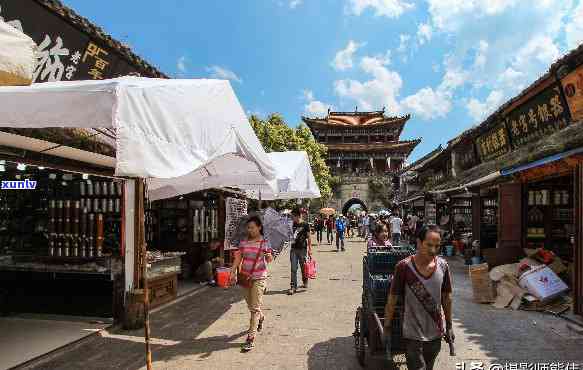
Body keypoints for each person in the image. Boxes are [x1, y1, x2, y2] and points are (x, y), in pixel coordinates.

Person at [383, 225, 454, 370]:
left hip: (435, 332)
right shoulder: (403, 267)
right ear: (419, 242)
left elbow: (447, 298)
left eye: (437, 246)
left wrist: (450, 326)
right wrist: (387, 327)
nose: (433, 250)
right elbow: (392, 299)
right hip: (412, 334)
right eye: (429, 245)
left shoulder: (443, 266)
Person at [229, 216, 273, 352]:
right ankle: (261, 317)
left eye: (252, 227)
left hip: (259, 278)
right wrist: (232, 272)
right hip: (245, 277)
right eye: (248, 227)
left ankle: (250, 338)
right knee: (251, 305)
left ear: (259, 227)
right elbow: (238, 258)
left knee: (254, 308)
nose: (250, 230)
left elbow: (270, 259)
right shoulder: (243, 242)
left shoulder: (265, 242)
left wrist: (268, 255)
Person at [288, 207, 311, 295]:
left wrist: (310, 249)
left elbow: (309, 237)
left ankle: (305, 280)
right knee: (293, 268)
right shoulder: (291, 224)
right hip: (293, 249)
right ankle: (293, 286)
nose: (291, 218)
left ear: (297, 216)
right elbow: (289, 235)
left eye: (292, 216)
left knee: (303, 267)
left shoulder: (305, 224)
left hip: (303, 249)